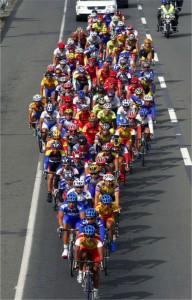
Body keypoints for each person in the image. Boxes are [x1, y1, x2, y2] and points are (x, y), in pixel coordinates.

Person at [74, 225, 103, 300]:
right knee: (82, 256)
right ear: (84, 235)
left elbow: (101, 256)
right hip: (85, 250)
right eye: (87, 236)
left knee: (95, 270)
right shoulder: (80, 238)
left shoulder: (98, 240)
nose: (89, 238)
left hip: (94, 252)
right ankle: (80, 272)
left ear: (94, 235)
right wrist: (76, 261)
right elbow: (76, 252)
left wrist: (100, 263)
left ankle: (96, 291)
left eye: (91, 236)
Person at [57, 192, 85, 258]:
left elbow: (83, 219)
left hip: (77, 220)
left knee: (79, 233)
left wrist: (81, 228)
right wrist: (61, 226)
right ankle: (65, 249)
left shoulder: (80, 205)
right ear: (66, 201)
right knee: (65, 230)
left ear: (76, 202)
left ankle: (80, 247)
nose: (71, 204)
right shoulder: (63, 205)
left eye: (73, 202)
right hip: (68, 219)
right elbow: (60, 217)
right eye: (69, 202)